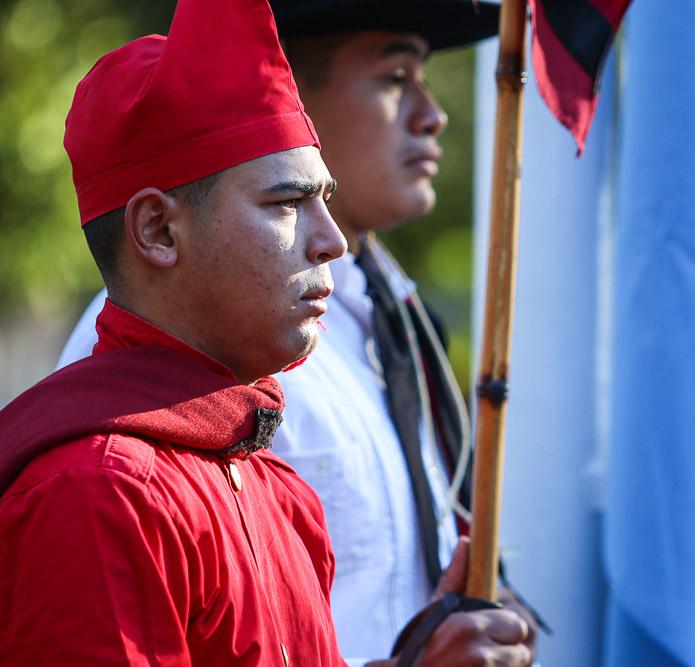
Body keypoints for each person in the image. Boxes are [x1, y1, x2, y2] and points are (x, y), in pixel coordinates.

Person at [3, 0, 532, 665]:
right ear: (160, 232)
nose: (332, 241)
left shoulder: (277, 487)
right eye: (286, 203)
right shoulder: (98, 493)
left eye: (325, 201)